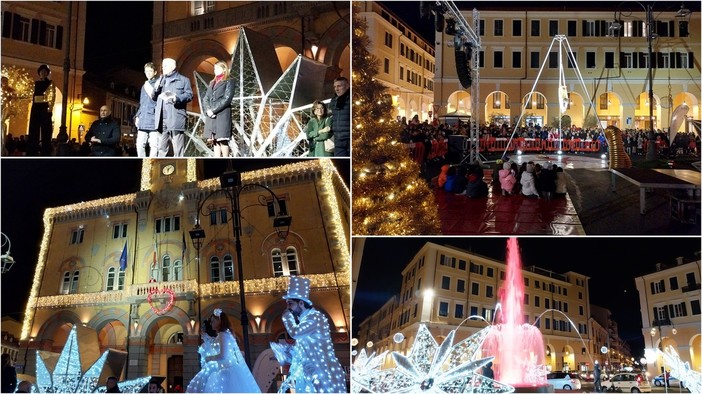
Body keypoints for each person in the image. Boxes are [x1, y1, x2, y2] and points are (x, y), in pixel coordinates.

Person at [280, 276, 346, 393]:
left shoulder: (315, 317)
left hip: (322, 371)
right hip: (309, 370)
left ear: (301, 303)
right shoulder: (305, 320)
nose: (288, 308)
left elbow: (295, 333)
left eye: (290, 303)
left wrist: (286, 316)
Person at [186, 309, 260, 393]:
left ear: (219, 321)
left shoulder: (222, 334)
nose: (211, 324)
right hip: (224, 370)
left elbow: (223, 355)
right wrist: (207, 338)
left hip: (227, 372)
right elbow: (216, 344)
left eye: (213, 321)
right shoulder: (224, 334)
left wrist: (209, 358)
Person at [155, 57, 193, 157]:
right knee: (161, 148)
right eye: (162, 66)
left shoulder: (183, 80)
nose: (163, 68)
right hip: (162, 119)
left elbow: (189, 95)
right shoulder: (161, 80)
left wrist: (176, 98)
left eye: (165, 66)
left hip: (176, 117)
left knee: (178, 148)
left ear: (172, 67)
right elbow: (154, 97)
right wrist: (156, 88)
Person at [202, 60, 235, 157]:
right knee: (215, 141)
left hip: (222, 114)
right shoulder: (212, 82)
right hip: (211, 115)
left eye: (217, 68)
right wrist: (208, 110)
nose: (215, 70)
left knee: (222, 141)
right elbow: (206, 98)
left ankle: (226, 160)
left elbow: (227, 98)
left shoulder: (229, 81)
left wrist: (213, 110)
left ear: (224, 69)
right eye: (214, 68)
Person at [27, 64, 56, 156]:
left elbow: (52, 96)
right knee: (33, 128)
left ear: (47, 73)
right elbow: (31, 94)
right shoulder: (36, 83)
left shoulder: (50, 83)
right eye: (41, 72)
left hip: (44, 107)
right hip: (36, 107)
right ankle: (32, 150)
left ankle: (45, 150)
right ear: (39, 73)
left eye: (44, 72)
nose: (42, 73)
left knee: (46, 129)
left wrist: (50, 109)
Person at [135, 62, 161, 157]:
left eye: (150, 71)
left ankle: (151, 162)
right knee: (139, 145)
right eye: (146, 71)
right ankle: (144, 161)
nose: (148, 73)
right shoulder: (144, 86)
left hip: (153, 119)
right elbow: (141, 103)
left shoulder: (159, 84)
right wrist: (138, 116)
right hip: (143, 119)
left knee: (154, 145)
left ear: (155, 72)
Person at [329, 76, 350, 157]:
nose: (336, 89)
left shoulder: (350, 99)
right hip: (338, 139)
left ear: (347, 86)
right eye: (335, 87)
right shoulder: (334, 101)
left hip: (349, 139)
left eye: (339, 86)